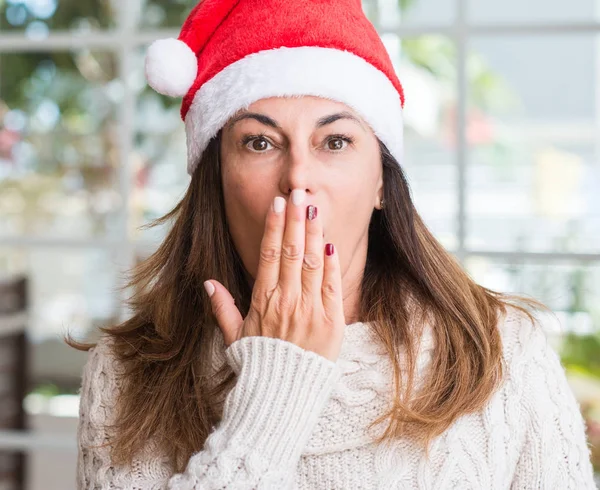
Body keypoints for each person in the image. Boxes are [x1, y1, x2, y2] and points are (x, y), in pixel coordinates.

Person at [70, 0, 597, 488]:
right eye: (260, 142)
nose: (298, 177)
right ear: (216, 182)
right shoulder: (126, 374)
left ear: (381, 184)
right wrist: (273, 398)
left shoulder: (504, 352)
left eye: (336, 141)